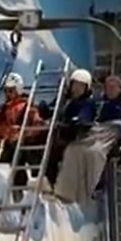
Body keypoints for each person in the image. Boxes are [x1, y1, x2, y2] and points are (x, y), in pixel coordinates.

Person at [53, 73, 121, 204]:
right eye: (107, 87)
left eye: (113, 87)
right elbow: (87, 112)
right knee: (73, 150)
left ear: (120, 90)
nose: (109, 90)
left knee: (95, 153)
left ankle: (91, 189)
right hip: (95, 130)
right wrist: (80, 120)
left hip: (110, 132)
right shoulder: (97, 103)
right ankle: (65, 191)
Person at [0, 73, 47, 189]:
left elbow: (38, 125)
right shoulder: (1, 109)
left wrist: (22, 134)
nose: (8, 94)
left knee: (17, 151)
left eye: (11, 90)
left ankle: (21, 186)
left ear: (18, 90)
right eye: (6, 91)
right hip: (2, 145)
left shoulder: (27, 108)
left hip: (18, 145)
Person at [40, 68, 97, 198]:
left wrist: (78, 120)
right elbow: (53, 110)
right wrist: (45, 110)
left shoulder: (86, 103)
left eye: (81, 86)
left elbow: (85, 116)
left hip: (74, 137)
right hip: (58, 132)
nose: (77, 89)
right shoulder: (64, 100)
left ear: (86, 89)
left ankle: (55, 184)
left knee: (55, 149)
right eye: (75, 85)